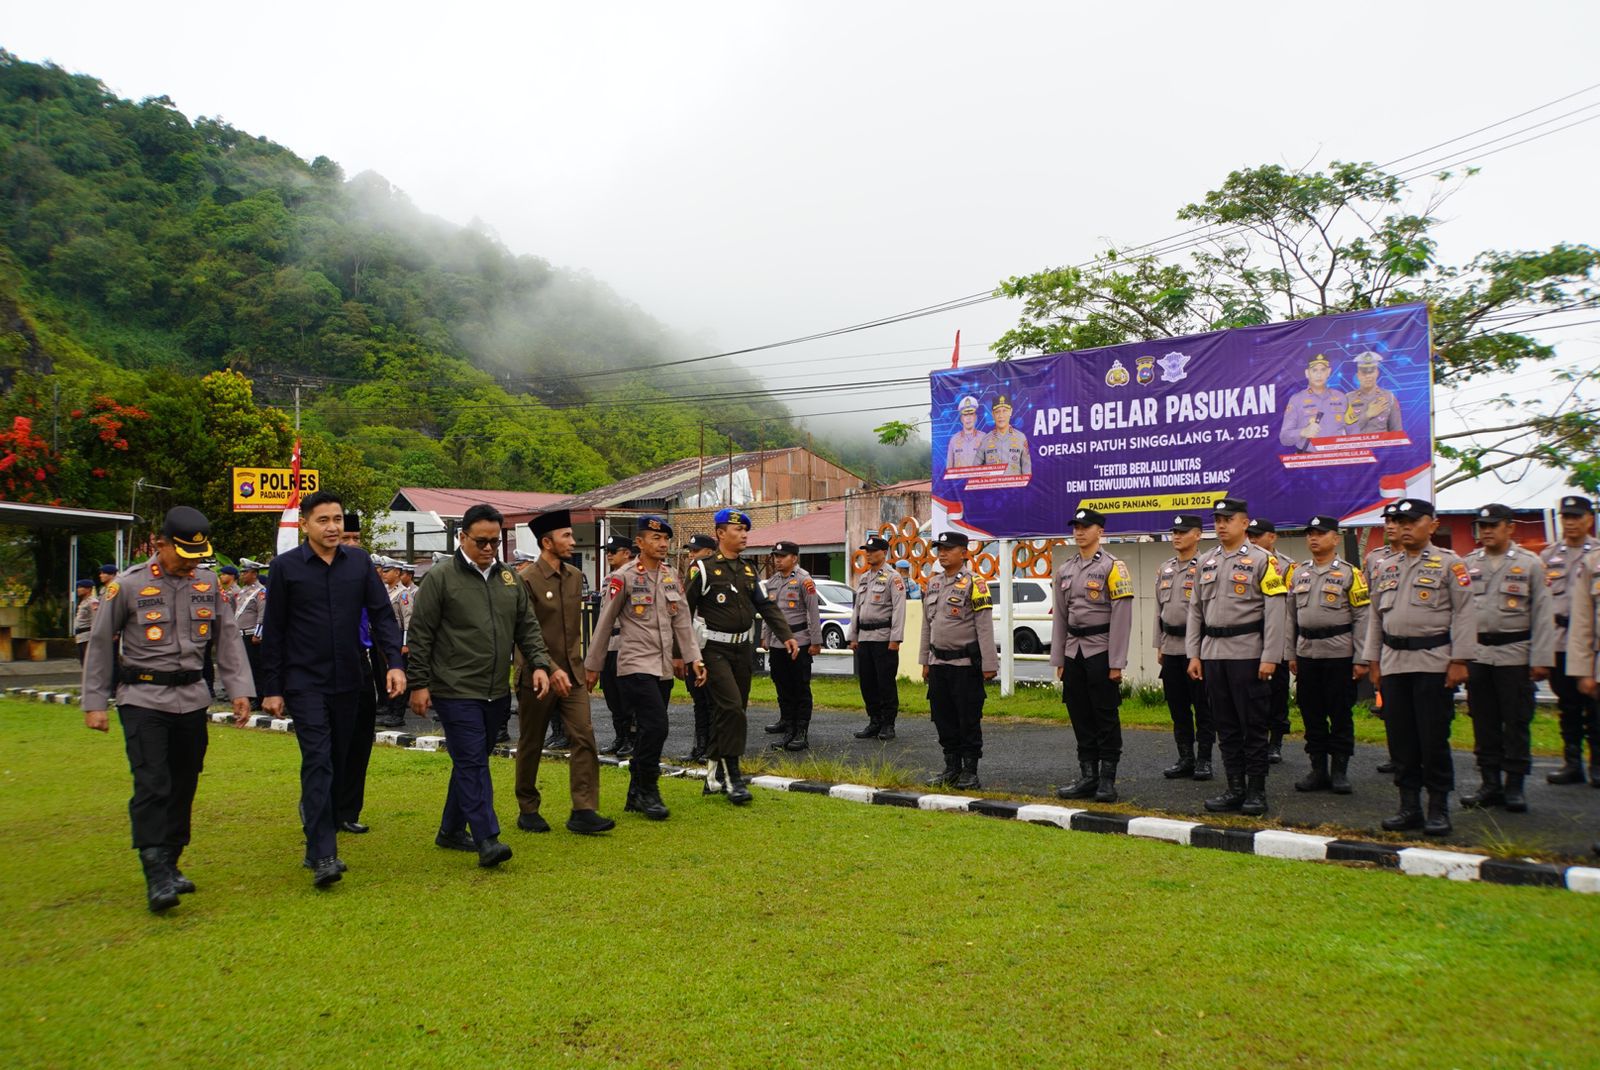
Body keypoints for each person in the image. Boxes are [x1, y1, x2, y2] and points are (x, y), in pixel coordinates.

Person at [81, 507, 253, 912]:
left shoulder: (208, 583)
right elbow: (101, 642)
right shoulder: (126, 585)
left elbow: (227, 638)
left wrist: (240, 688)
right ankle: (155, 868)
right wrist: (94, 702)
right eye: (183, 552)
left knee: (184, 780)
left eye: (198, 554)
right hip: (142, 698)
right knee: (152, 782)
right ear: (160, 544)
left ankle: (172, 858)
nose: (191, 561)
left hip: (192, 698)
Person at [258, 491, 404, 886]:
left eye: (337, 519)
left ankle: (315, 841)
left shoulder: (358, 563)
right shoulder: (285, 568)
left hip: (350, 680)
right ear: (305, 524)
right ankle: (325, 854)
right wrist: (272, 688)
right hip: (305, 682)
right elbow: (274, 632)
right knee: (318, 760)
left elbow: (381, 615)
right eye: (323, 520)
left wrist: (395, 664)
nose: (333, 527)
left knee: (339, 759)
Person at [407, 504, 550, 868]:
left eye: (495, 541)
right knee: (472, 763)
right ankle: (488, 838)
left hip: (495, 691)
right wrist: (419, 684)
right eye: (481, 541)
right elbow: (420, 635)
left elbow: (527, 626)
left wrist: (539, 664)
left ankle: (451, 830)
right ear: (462, 538)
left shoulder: (509, 579)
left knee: (471, 761)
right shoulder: (440, 578)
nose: (489, 548)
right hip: (455, 689)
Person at [1363, 498, 1475, 836]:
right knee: (1401, 739)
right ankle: (1408, 806)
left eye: (1412, 521)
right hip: (1394, 662)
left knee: (1433, 737)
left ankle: (1438, 808)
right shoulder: (1386, 566)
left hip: (1433, 662)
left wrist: (1459, 660)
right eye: (1400, 520)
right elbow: (1375, 617)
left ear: (1432, 524)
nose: (1405, 526)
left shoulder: (1449, 564)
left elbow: (1465, 613)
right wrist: (1373, 659)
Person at [585, 516, 704, 820]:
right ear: (639, 543)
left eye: (665, 538)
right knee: (657, 725)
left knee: (650, 730)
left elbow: (682, 620)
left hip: (663, 665)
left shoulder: (670, 576)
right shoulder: (623, 577)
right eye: (655, 538)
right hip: (634, 662)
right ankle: (649, 790)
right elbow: (604, 623)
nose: (663, 544)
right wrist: (594, 665)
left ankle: (635, 791)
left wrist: (693, 657)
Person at [1185, 497, 1288, 817]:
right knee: (1225, 726)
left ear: (1245, 523)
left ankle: (1256, 791)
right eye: (1217, 519)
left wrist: (1271, 656)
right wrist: (1193, 653)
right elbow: (1195, 611)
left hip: (1248, 653)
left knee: (1253, 725)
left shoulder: (1263, 560)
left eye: (1228, 519)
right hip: (1214, 654)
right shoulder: (1207, 561)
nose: (1220, 524)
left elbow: (1275, 612)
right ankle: (1234, 788)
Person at [513, 509, 613, 835]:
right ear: (547, 542)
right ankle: (528, 807)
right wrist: (549, 667)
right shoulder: (525, 579)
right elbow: (524, 633)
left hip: (573, 675)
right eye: (566, 536)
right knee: (532, 741)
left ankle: (583, 809)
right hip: (537, 676)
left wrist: (578, 667)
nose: (572, 541)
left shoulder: (573, 576)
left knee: (584, 736)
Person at [687, 508, 796, 805]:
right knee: (732, 708)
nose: (744, 535)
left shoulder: (749, 570)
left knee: (733, 712)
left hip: (742, 650)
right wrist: (686, 655)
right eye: (738, 530)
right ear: (722, 534)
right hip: (714, 650)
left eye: (746, 530)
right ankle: (733, 777)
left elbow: (767, 606)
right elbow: (683, 612)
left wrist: (786, 635)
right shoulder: (704, 568)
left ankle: (712, 776)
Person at [1459, 504, 1553, 813]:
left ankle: (1514, 786)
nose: (1486, 530)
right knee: (1483, 722)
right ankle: (1490, 783)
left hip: (1515, 654)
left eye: (1493, 525)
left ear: (1510, 528)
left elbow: (1542, 616)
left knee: (1515, 722)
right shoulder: (1467, 564)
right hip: (1479, 654)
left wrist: (1541, 659)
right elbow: (1458, 614)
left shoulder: (1530, 564)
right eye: (1481, 525)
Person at [1050, 507, 1135, 802]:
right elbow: (1060, 617)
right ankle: (1088, 776)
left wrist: (1117, 662)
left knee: (1105, 715)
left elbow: (1122, 617)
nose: (1079, 531)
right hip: (1074, 652)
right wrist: (1058, 659)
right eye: (1076, 526)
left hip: (1101, 650)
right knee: (1080, 715)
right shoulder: (1065, 569)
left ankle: (1107, 781)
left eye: (1085, 526)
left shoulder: (1114, 567)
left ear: (1100, 531)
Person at [1285, 515, 1369, 794]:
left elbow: (1362, 618)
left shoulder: (1350, 574)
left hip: (1339, 654)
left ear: (1335, 537)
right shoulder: (1299, 573)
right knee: (1312, 714)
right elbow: (1290, 618)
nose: (1314, 538)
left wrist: (1360, 659)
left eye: (1320, 533)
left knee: (1340, 713)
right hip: (1307, 653)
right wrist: (1291, 654)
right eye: (1310, 533)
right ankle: (1317, 769)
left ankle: (1340, 771)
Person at [919, 531, 997, 789]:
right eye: (939, 548)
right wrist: (925, 660)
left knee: (968, 718)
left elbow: (984, 627)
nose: (942, 553)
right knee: (943, 717)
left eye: (948, 548)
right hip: (939, 664)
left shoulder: (976, 583)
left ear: (964, 552)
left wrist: (989, 664)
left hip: (965, 666)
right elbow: (927, 625)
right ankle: (951, 767)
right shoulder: (934, 583)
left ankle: (970, 771)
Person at [1540, 495, 1600, 785]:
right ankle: (1572, 762)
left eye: (1577, 517)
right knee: (1568, 705)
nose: (1571, 522)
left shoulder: (1597, 554)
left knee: (1596, 706)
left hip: (1592, 642)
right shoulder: (1549, 556)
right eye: (1566, 517)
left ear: (1589, 520)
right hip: (1559, 641)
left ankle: (1597, 763)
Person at [1152, 514, 1213, 781]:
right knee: (1178, 707)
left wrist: (1200, 650)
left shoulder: (1207, 566)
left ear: (1197, 535)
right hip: (1171, 646)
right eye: (1174, 531)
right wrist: (1159, 645)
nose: (1177, 536)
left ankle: (1205, 760)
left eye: (1183, 531)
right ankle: (1185, 757)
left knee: (1203, 707)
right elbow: (1158, 610)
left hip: (1196, 649)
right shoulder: (1165, 568)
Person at [762, 539, 822, 752]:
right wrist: (765, 636)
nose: (777, 560)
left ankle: (801, 732)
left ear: (794, 558)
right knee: (782, 686)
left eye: (782, 556)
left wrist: (816, 641)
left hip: (800, 642)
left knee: (800, 688)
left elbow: (813, 613)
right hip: (778, 643)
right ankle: (788, 729)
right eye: (776, 556)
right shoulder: (773, 581)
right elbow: (769, 613)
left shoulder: (804, 580)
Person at [1247, 518, 1296, 763]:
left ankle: (1275, 741)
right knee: (1254, 694)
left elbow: (1289, 609)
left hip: (1278, 640)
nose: (1253, 540)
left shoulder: (1287, 567)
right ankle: (1256, 739)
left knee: (1277, 693)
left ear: (1272, 537)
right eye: (1250, 536)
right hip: (1251, 639)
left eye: (1258, 535)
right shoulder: (1244, 563)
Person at [849, 534, 906, 740]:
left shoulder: (893, 577)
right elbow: (857, 609)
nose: (869, 554)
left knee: (885, 683)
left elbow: (899, 610)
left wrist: (896, 638)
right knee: (867, 683)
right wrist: (853, 636)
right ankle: (874, 721)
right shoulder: (864, 578)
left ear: (884, 553)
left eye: (873, 551)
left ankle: (888, 724)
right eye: (867, 551)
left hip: (884, 638)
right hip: (864, 638)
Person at [1366, 502, 1404, 774]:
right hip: (1389, 648)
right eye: (1387, 520)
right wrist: (1370, 656)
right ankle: (1397, 755)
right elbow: (1372, 609)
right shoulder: (1375, 561)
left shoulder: (1445, 562)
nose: (1391, 525)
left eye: (1397, 520)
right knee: (1392, 707)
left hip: (1427, 652)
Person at [596, 534, 639, 756]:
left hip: (626, 643)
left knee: (627, 695)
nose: (609, 555)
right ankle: (619, 736)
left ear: (627, 553)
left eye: (614, 551)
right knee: (612, 694)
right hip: (609, 644)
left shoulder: (636, 576)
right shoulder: (608, 579)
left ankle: (632, 738)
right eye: (607, 551)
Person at [684, 533, 718, 760]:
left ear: (708, 552)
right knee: (700, 698)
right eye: (690, 551)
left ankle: (707, 746)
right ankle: (701, 745)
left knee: (708, 698)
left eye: (695, 551)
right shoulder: (696, 569)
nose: (691, 556)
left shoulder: (702, 569)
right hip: (698, 637)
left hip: (708, 639)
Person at [1278, 354, 1348, 451]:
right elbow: (1284, 438)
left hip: (1338, 459)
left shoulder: (1341, 397)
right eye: (1314, 370)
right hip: (1310, 460)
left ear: (1329, 372)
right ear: (1307, 373)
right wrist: (1303, 432)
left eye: (1323, 370)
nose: (1319, 374)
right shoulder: (1296, 400)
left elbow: (1353, 429)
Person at [376, 557, 412, 728]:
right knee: (385, 674)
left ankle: (397, 713)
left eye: (387, 570)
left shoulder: (403, 594)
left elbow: (408, 621)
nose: (383, 573)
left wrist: (405, 643)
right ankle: (389, 709)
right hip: (385, 638)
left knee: (398, 674)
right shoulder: (386, 591)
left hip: (398, 637)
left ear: (397, 573)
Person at [1340, 351, 1404, 435]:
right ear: (1358, 375)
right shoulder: (1347, 399)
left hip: (1383, 447)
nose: (1368, 376)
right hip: (1358, 447)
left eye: (1371, 372)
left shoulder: (1389, 397)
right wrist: (1367, 415)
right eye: (1364, 372)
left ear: (1377, 373)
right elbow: (1344, 432)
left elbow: (1397, 433)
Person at [233, 558, 267, 711]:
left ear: (254, 573)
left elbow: (262, 614)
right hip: (240, 634)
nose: (242, 575)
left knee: (255, 668)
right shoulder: (242, 591)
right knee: (244, 669)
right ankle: (249, 696)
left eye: (245, 572)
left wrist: (258, 634)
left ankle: (258, 697)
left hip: (251, 635)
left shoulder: (260, 592)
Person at [979, 394, 1031, 476]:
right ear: (993, 414)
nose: (1001, 416)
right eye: (997, 412)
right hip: (993, 487)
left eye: (1005, 411)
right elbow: (977, 470)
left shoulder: (1021, 438)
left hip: (1015, 487)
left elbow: (1027, 470)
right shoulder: (985, 439)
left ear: (1010, 412)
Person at [945, 395, 987, 468]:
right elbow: (949, 468)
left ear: (975, 417)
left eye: (971, 414)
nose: (968, 418)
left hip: (979, 479)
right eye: (965, 415)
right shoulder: (954, 440)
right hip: (959, 479)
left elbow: (990, 465)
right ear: (961, 419)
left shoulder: (984, 438)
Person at [73, 577, 98, 663]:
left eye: (81, 587)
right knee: (83, 661)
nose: (78, 590)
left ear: (88, 589)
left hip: (87, 636)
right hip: (80, 636)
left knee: (89, 663)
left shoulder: (92, 602)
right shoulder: (83, 602)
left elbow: (96, 618)